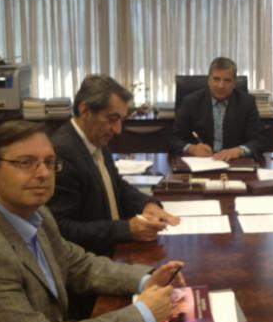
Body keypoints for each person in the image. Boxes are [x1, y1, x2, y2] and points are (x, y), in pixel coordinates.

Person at [0, 120, 187, 322]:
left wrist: (145, 280)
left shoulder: (32, 209)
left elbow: (74, 263)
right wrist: (143, 315)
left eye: (49, 163)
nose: (43, 173)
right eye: (26, 163)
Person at [48, 74, 179, 258]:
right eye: (112, 119)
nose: (118, 130)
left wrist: (146, 204)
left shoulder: (94, 138)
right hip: (88, 261)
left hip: (112, 251)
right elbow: (60, 229)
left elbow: (116, 185)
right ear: (85, 111)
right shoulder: (62, 152)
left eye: (121, 120)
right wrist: (126, 230)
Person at [169, 57, 265, 161]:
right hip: (200, 163)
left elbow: (258, 141)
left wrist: (238, 150)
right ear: (208, 80)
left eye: (227, 80)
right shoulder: (191, 102)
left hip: (234, 162)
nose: (221, 85)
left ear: (234, 83)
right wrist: (192, 149)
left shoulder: (247, 103)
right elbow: (173, 140)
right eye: (216, 79)